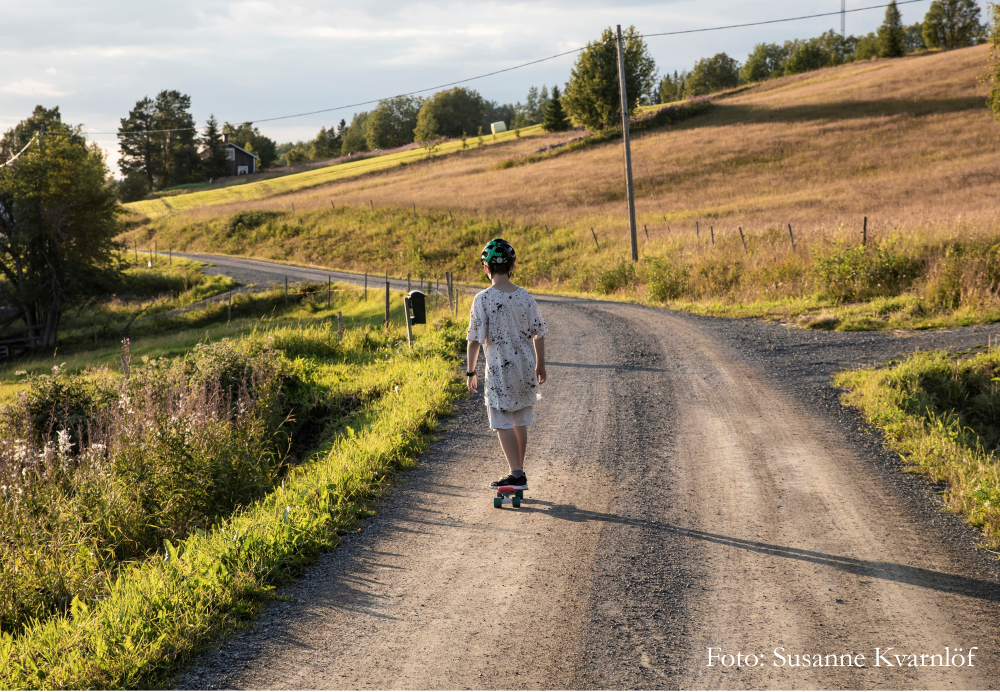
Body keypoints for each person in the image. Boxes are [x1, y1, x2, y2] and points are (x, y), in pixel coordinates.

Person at [466, 238, 548, 491]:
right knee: (519, 419)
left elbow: (474, 339)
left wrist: (470, 371)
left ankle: (517, 474)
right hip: (525, 367)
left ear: (486, 268)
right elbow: (540, 332)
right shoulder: (524, 296)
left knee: (501, 421)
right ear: (512, 266)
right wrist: (540, 365)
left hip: (501, 370)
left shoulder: (483, 299)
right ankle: (518, 472)